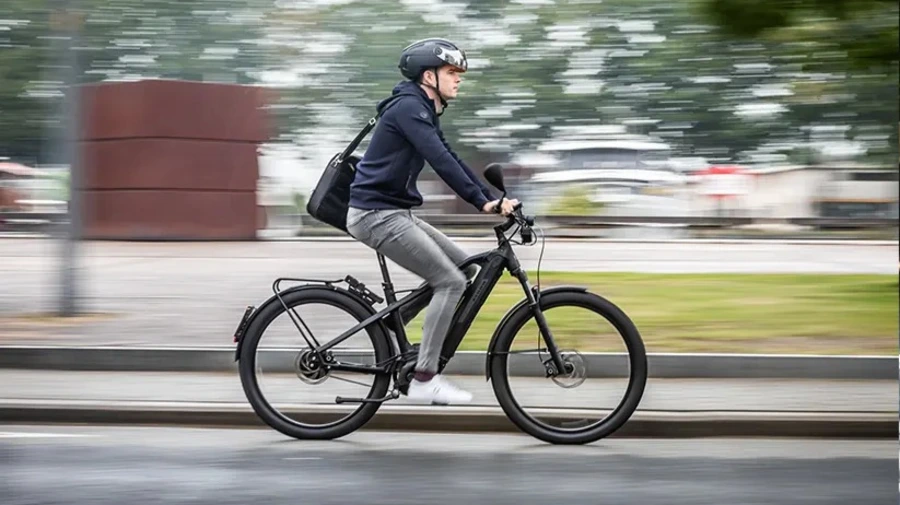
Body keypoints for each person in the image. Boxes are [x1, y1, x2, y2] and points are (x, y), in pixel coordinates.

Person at [346, 38, 518, 404]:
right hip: (376, 215)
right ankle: (424, 378)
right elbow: (440, 161)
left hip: (392, 212)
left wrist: (490, 198)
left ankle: (396, 321)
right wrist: (483, 203)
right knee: (451, 282)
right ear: (429, 76)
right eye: (452, 72)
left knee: (465, 267)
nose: (459, 80)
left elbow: (450, 156)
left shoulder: (422, 109)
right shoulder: (409, 108)